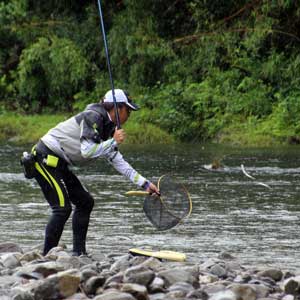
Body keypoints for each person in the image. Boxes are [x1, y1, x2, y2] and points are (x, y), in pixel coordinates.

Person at [31, 89, 159, 256]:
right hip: (44, 158)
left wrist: (145, 183)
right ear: (117, 108)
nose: (129, 115)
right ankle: (46, 256)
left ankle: (79, 254)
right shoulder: (93, 116)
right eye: (128, 110)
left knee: (85, 202)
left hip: (60, 163)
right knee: (62, 208)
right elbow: (87, 151)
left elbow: (118, 161)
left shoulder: (108, 126)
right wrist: (113, 141)